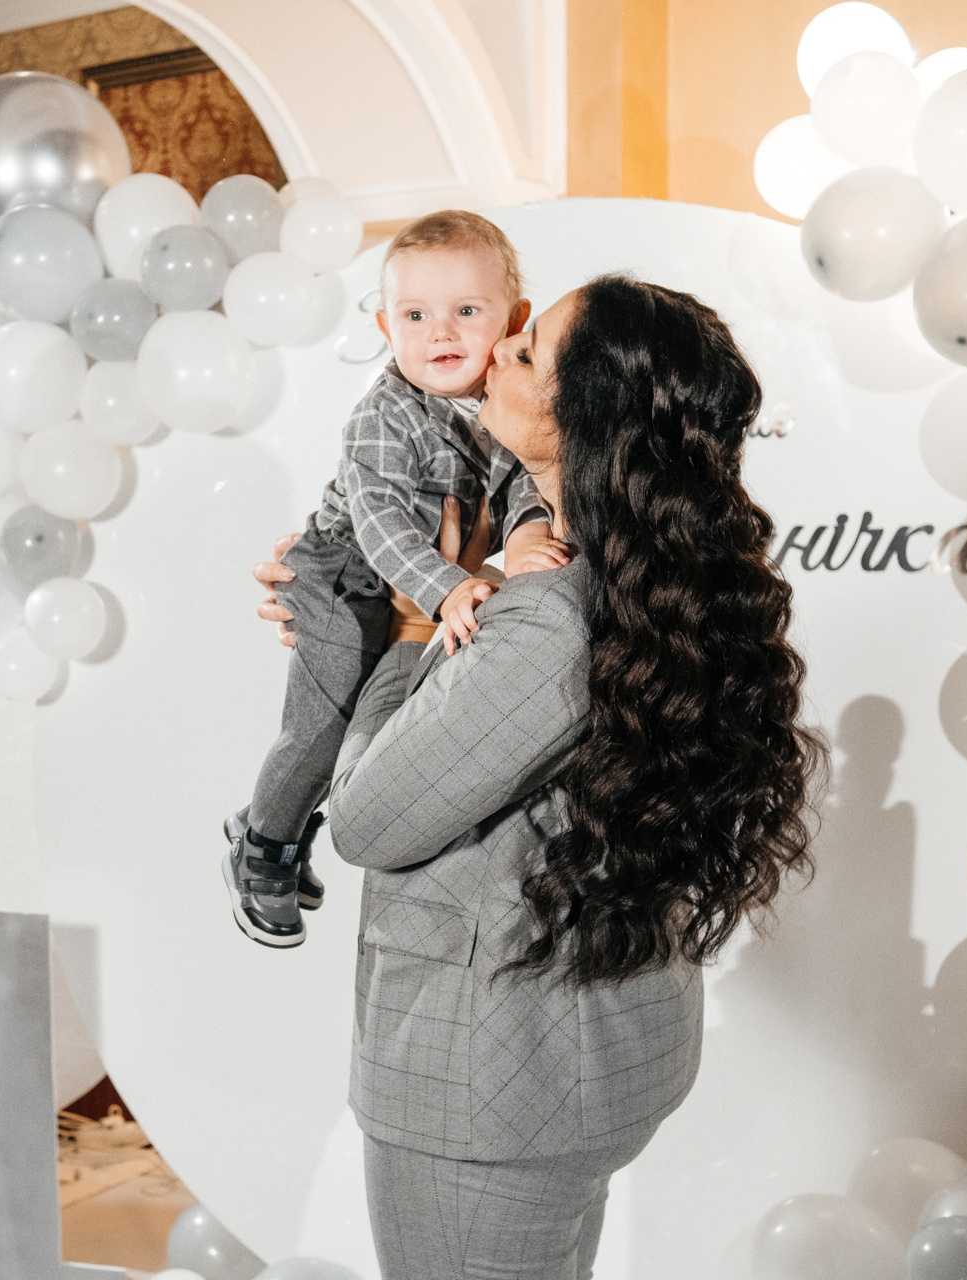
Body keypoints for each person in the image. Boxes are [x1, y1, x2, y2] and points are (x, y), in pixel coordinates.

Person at [254, 275, 822, 1277]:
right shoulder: (646, 577)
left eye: (525, 352)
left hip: (492, 1089)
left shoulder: (547, 619)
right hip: (584, 1055)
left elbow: (366, 821)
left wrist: (410, 626)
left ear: (582, 419)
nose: (493, 352)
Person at [223, 210, 565, 949]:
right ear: (384, 326)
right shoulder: (384, 415)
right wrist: (447, 587)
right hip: (345, 572)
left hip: (415, 579)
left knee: (373, 724)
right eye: (415, 316)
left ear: (515, 321)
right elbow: (380, 525)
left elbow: (517, 492)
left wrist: (527, 539)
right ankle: (264, 846)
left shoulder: (497, 409)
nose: (440, 332)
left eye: (466, 311)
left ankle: (282, 819)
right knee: (325, 720)